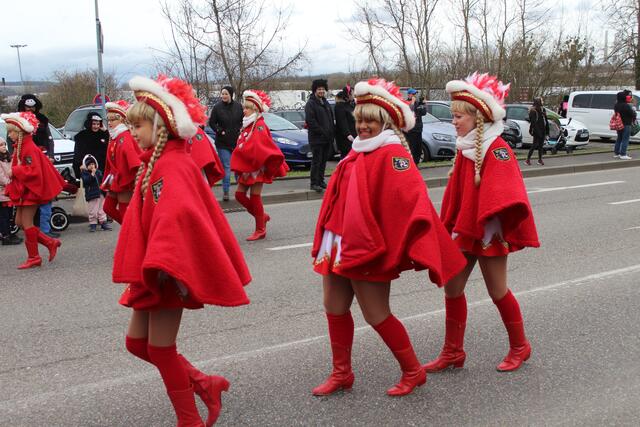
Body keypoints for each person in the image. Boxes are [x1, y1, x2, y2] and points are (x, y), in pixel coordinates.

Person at [311, 78, 466, 397]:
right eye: (359, 119)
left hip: (369, 247)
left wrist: (403, 242)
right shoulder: (357, 151)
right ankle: (342, 373)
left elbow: (411, 200)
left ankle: (412, 370)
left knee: (376, 313)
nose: (362, 126)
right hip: (338, 244)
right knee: (334, 306)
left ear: (385, 122)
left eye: (370, 120)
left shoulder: (393, 153)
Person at [113, 74, 251, 426]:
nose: (133, 132)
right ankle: (204, 383)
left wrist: (161, 263)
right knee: (136, 344)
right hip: (154, 268)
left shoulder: (173, 166)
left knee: (160, 348)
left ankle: (189, 420)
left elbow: (177, 218)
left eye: (139, 126)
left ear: (160, 127)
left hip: (166, 270)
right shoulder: (156, 163)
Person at [424, 72, 540, 374]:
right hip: (466, 229)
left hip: (488, 231)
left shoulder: (496, 148)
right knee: (452, 288)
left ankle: (520, 346)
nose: (453, 121)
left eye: (458, 116)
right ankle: (453, 352)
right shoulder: (466, 147)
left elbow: (507, 192)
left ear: (478, 118)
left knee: (497, 290)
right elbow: (458, 194)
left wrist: (486, 218)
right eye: (453, 116)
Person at [1, 111, 65, 269]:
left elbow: (34, 171)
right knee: (19, 222)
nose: (9, 135)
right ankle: (49, 242)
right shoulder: (21, 146)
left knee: (26, 223)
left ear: (20, 132)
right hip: (24, 190)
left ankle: (34, 257)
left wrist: (15, 171)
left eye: (11, 131)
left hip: (30, 191)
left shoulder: (28, 148)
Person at [230, 90, 289, 241]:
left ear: (255, 109)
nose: (244, 110)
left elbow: (261, 146)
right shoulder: (248, 124)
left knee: (255, 197)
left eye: (247, 108)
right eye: (244, 107)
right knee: (239, 195)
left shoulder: (259, 125)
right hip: (246, 167)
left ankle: (260, 229)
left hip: (257, 167)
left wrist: (244, 151)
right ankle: (262, 216)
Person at [18, 94, 58, 238]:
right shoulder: (19, 120)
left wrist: (51, 155)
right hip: (27, 160)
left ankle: (44, 229)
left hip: (42, 157)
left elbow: (49, 139)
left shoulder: (42, 120)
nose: (30, 109)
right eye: (27, 107)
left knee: (45, 194)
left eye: (32, 107)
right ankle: (33, 227)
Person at [102, 100, 142, 224]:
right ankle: (130, 231)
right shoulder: (116, 137)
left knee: (125, 214)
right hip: (116, 180)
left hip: (126, 182)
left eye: (112, 119)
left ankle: (130, 232)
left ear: (122, 120)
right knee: (108, 208)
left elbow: (135, 162)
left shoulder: (125, 137)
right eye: (108, 120)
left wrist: (133, 182)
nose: (109, 123)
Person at [208, 86, 243, 201]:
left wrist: (241, 129)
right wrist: (219, 130)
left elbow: (243, 120)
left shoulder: (238, 106)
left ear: (231, 95)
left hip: (236, 141)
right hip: (223, 142)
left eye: (226, 94)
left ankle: (241, 191)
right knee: (227, 167)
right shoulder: (217, 107)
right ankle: (226, 192)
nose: (223, 96)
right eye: (222, 94)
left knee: (238, 167)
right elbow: (212, 123)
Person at [305, 79, 334, 192]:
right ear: (315, 90)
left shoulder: (325, 102)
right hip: (316, 138)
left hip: (327, 138)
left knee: (323, 161)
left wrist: (331, 132)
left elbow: (330, 119)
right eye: (319, 89)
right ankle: (314, 183)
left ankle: (321, 181)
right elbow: (311, 121)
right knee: (316, 161)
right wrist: (322, 132)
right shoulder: (311, 104)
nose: (321, 91)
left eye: (323, 89)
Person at [0, 137, 22, 245]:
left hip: (9, 191)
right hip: (2, 191)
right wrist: (10, 183)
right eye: (1, 145)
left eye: (4, 144)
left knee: (9, 215)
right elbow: (1, 176)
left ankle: (8, 233)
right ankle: (5, 236)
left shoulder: (7, 157)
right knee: (3, 215)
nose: (4, 146)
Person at [73, 113, 109, 179]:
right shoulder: (81, 136)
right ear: (89, 124)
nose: (96, 126)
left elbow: (109, 147)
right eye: (94, 124)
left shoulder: (103, 134)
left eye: (98, 124)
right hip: (88, 168)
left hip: (102, 168)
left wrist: (106, 131)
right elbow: (78, 154)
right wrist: (79, 167)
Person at [80, 155, 111, 232]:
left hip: (100, 193)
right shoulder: (85, 173)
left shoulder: (98, 172)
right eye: (90, 165)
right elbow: (86, 181)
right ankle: (93, 224)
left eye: (93, 164)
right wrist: (92, 174)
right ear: (86, 166)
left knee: (102, 210)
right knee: (93, 210)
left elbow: (102, 180)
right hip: (92, 194)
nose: (92, 166)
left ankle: (103, 223)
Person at [405, 88, 427, 164]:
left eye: (415, 94)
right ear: (409, 95)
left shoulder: (418, 103)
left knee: (418, 149)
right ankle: (412, 164)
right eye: (413, 94)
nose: (415, 95)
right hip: (411, 131)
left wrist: (424, 104)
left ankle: (416, 164)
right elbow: (410, 112)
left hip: (418, 129)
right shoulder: (406, 103)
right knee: (412, 149)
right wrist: (412, 103)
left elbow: (424, 113)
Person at [333, 85, 356, 159]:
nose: (354, 95)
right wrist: (348, 134)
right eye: (353, 93)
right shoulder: (340, 106)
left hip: (354, 134)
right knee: (346, 156)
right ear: (348, 94)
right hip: (345, 138)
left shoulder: (351, 105)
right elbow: (342, 122)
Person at [525, 97, 549, 166]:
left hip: (543, 129)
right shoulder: (533, 111)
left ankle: (540, 160)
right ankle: (527, 160)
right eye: (541, 100)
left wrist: (547, 130)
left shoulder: (543, 109)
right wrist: (538, 132)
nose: (542, 101)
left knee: (541, 146)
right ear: (538, 102)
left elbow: (545, 120)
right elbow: (533, 123)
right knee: (534, 145)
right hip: (537, 130)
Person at [614, 90, 636, 160]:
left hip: (619, 124)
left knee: (619, 138)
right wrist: (634, 111)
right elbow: (632, 114)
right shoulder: (626, 105)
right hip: (626, 124)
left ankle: (617, 153)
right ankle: (623, 154)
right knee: (625, 139)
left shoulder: (616, 105)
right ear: (623, 97)